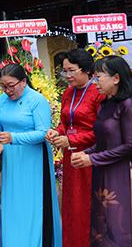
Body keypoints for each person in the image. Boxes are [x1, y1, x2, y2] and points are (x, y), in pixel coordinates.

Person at [71, 55, 132, 246]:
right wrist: (86, 153)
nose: (95, 82)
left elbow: (130, 146)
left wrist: (93, 158)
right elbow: (105, 142)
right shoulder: (106, 105)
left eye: (99, 77)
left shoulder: (128, 104)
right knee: (102, 225)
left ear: (116, 78)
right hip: (103, 171)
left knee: (121, 225)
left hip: (122, 173)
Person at [0, 64, 62, 247]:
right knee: (12, 205)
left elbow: (43, 132)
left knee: (32, 206)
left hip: (33, 159)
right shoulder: (2, 100)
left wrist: (13, 138)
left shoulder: (37, 100)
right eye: (3, 86)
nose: (7, 90)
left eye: (11, 85)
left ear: (23, 81)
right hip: (11, 159)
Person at [45, 49, 104, 247]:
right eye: (64, 71)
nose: (67, 76)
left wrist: (70, 140)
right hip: (71, 160)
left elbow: (102, 132)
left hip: (91, 158)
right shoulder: (68, 93)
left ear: (86, 69)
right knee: (72, 207)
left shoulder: (98, 93)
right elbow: (65, 123)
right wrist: (56, 132)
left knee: (89, 206)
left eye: (71, 71)